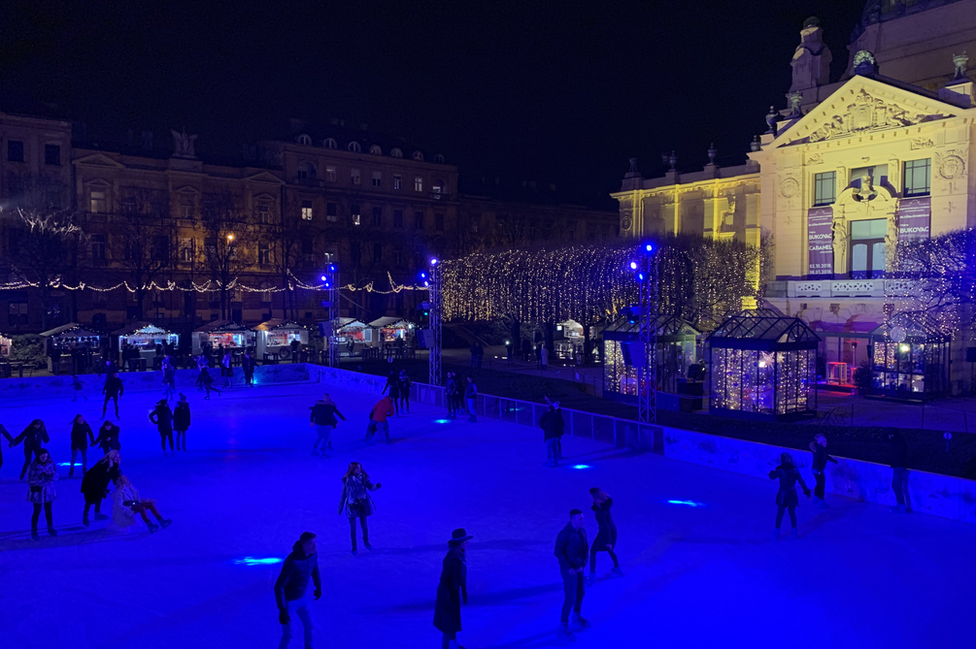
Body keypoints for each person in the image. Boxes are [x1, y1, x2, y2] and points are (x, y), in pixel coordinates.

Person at [275, 531, 322, 649]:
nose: (315, 547)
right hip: (288, 602)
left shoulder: (313, 555)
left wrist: (318, 586)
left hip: (303, 598)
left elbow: (314, 570)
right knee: (289, 635)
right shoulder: (292, 561)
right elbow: (279, 586)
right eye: (312, 544)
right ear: (304, 545)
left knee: (310, 626)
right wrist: (282, 609)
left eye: (315, 543)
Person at [554, 509, 590, 639]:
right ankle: (562, 627)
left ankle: (576, 616)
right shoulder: (564, 534)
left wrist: (583, 565)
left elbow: (586, 549)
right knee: (570, 598)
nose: (583, 521)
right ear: (572, 520)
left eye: (583, 518)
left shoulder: (583, 532)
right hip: (568, 570)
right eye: (580, 519)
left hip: (579, 568)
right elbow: (558, 552)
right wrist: (569, 567)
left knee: (581, 593)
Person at [434, 528, 472, 649]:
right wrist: (447, 597)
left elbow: (461, 576)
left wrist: (463, 590)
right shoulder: (451, 559)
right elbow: (444, 579)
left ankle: (454, 645)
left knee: (452, 623)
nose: (467, 543)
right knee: (448, 625)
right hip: (447, 595)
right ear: (459, 542)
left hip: (452, 593)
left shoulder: (459, 554)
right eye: (465, 541)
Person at [338, 462, 382, 554]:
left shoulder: (364, 478)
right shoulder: (347, 480)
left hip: (362, 505)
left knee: (364, 526)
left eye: (359, 468)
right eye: (356, 468)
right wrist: (340, 507)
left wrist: (376, 486)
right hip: (352, 507)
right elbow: (343, 495)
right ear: (352, 469)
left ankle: (366, 542)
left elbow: (371, 487)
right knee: (353, 528)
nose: (358, 470)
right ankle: (354, 546)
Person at [769, 452, 811, 540]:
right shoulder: (795, 469)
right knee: (792, 513)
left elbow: (772, 477)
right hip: (792, 493)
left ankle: (776, 533)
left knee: (780, 513)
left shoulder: (780, 469)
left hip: (783, 493)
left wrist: (771, 472)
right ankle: (794, 532)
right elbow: (801, 481)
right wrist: (807, 493)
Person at [587, 488, 622, 585]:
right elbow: (609, 500)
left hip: (606, 532)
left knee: (593, 552)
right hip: (611, 530)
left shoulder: (600, 511)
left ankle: (592, 577)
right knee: (609, 549)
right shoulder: (605, 505)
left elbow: (605, 526)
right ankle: (617, 569)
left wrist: (609, 541)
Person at [81, 449, 121, 526]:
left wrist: (119, 475)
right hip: (92, 483)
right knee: (90, 500)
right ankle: (85, 516)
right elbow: (97, 475)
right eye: (115, 457)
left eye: (118, 458)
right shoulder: (104, 463)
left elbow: (114, 480)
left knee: (99, 497)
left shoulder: (114, 466)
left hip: (101, 484)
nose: (116, 459)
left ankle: (97, 514)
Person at [27, 448, 58, 540]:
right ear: (38, 456)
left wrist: (51, 475)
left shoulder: (51, 464)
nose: (44, 458)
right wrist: (40, 477)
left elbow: (56, 476)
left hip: (48, 491)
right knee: (37, 511)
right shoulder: (33, 466)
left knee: (48, 510)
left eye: (46, 456)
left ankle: (50, 527)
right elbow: (30, 480)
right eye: (42, 457)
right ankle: (34, 530)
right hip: (38, 493)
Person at [809, 434, 838, 508]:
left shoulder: (822, 449)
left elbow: (826, 456)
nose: (826, 443)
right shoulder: (818, 451)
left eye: (826, 442)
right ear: (820, 443)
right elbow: (816, 461)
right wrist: (819, 471)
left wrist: (833, 460)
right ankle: (821, 503)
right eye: (824, 442)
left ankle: (815, 498)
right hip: (817, 470)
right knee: (822, 485)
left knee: (819, 484)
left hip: (816, 470)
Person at [889, 430, 912, 513]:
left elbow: (896, 455)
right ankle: (901, 505)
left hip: (898, 466)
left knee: (895, 486)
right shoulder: (901, 442)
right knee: (897, 486)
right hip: (899, 466)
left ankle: (901, 505)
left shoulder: (896, 443)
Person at [540, 401, 564, 467]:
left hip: (549, 434)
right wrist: (560, 431)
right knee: (554, 447)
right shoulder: (557, 415)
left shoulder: (546, 414)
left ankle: (549, 461)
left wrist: (545, 428)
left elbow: (541, 422)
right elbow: (562, 423)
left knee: (549, 447)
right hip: (556, 434)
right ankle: (556, 461)